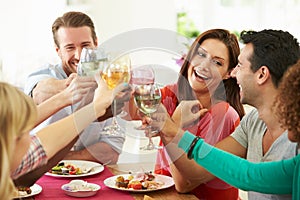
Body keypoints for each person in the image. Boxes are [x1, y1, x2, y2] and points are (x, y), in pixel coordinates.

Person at [149, 29, 300, 200]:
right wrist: (171, 130)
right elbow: (197, 169)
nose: (234, 73)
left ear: (262, 74)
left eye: (240, 66)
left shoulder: (295, 144)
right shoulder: (252, 122)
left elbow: (247, 175)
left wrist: (172, 129)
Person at [131, 29, 245, 199]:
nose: (204, 65)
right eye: (201, 54)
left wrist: (173, 126)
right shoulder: (171, 94)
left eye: (217, 63)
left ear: (229, 73)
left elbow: (184, 184)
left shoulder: (225, 116)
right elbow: (131, 111)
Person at [0, 75, 128, 200]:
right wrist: (95, 108)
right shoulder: (12, 156)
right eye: (25, 131)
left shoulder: (6, 159)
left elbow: (43, 146)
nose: (32, 137)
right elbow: (43, 145)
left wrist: (81, 105)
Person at [23, 11, 125, 164]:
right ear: (58, 51)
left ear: (96, 44)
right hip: (41, 179)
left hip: (93, 178)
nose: (79, 55)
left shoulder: (110, 81)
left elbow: (110, 151)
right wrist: (67, 87)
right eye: (70, 48)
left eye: (86, 46)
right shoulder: (42, 75)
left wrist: (52, 160)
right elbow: (39, 92)